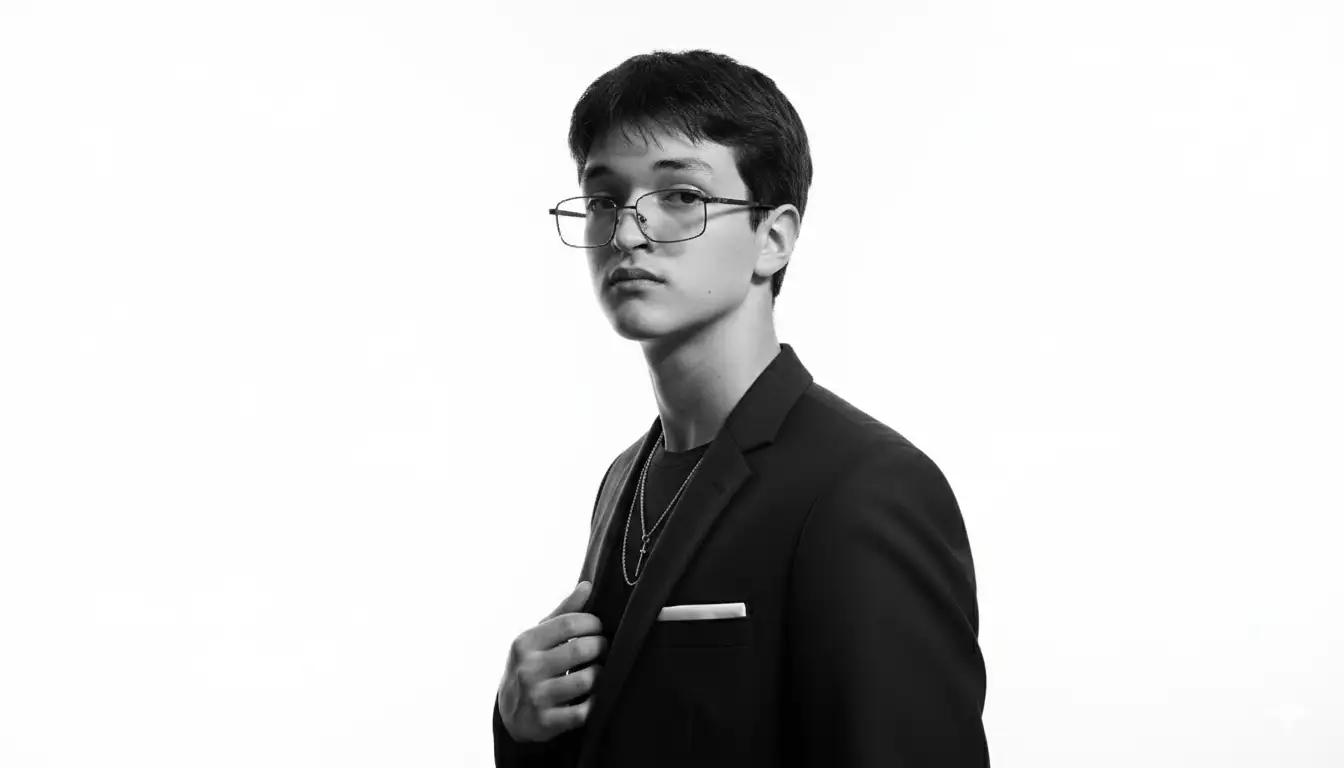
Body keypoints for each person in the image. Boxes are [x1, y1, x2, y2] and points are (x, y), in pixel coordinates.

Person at [492, 48, 988, 767]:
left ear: (774, 238)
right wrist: (523, 729)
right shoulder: (622, 481)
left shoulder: (866, 488)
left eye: (682, 197)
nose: (627, 232)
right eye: (604, 200)